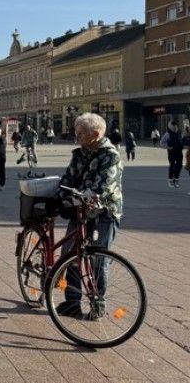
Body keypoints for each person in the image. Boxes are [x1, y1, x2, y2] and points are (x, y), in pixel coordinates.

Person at [56, 112, 123, 319]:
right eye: (77, 132)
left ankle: (97, 304)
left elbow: (103, 185)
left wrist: (85, 195)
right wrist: (61, 195)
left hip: (105, 212)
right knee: (72, 255)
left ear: (95, 134)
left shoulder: (111, 155)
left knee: (99, 260)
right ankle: (72, 303)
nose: (77, 137)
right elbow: (67, 179)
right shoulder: (80, 154)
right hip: (80, 210)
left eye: (81, 133)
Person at [164, 121, 183, 188]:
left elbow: (182, 141)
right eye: (171, 126)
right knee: (172, 165)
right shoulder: (167, 134)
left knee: (179, 166)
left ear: (176, 126)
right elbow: (161, 143)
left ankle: (176, 179)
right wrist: (168, 147)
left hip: (179, 152)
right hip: (171, 152)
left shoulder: (180, 132)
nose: (173, 127)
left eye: (174, 126)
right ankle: (170, 180)